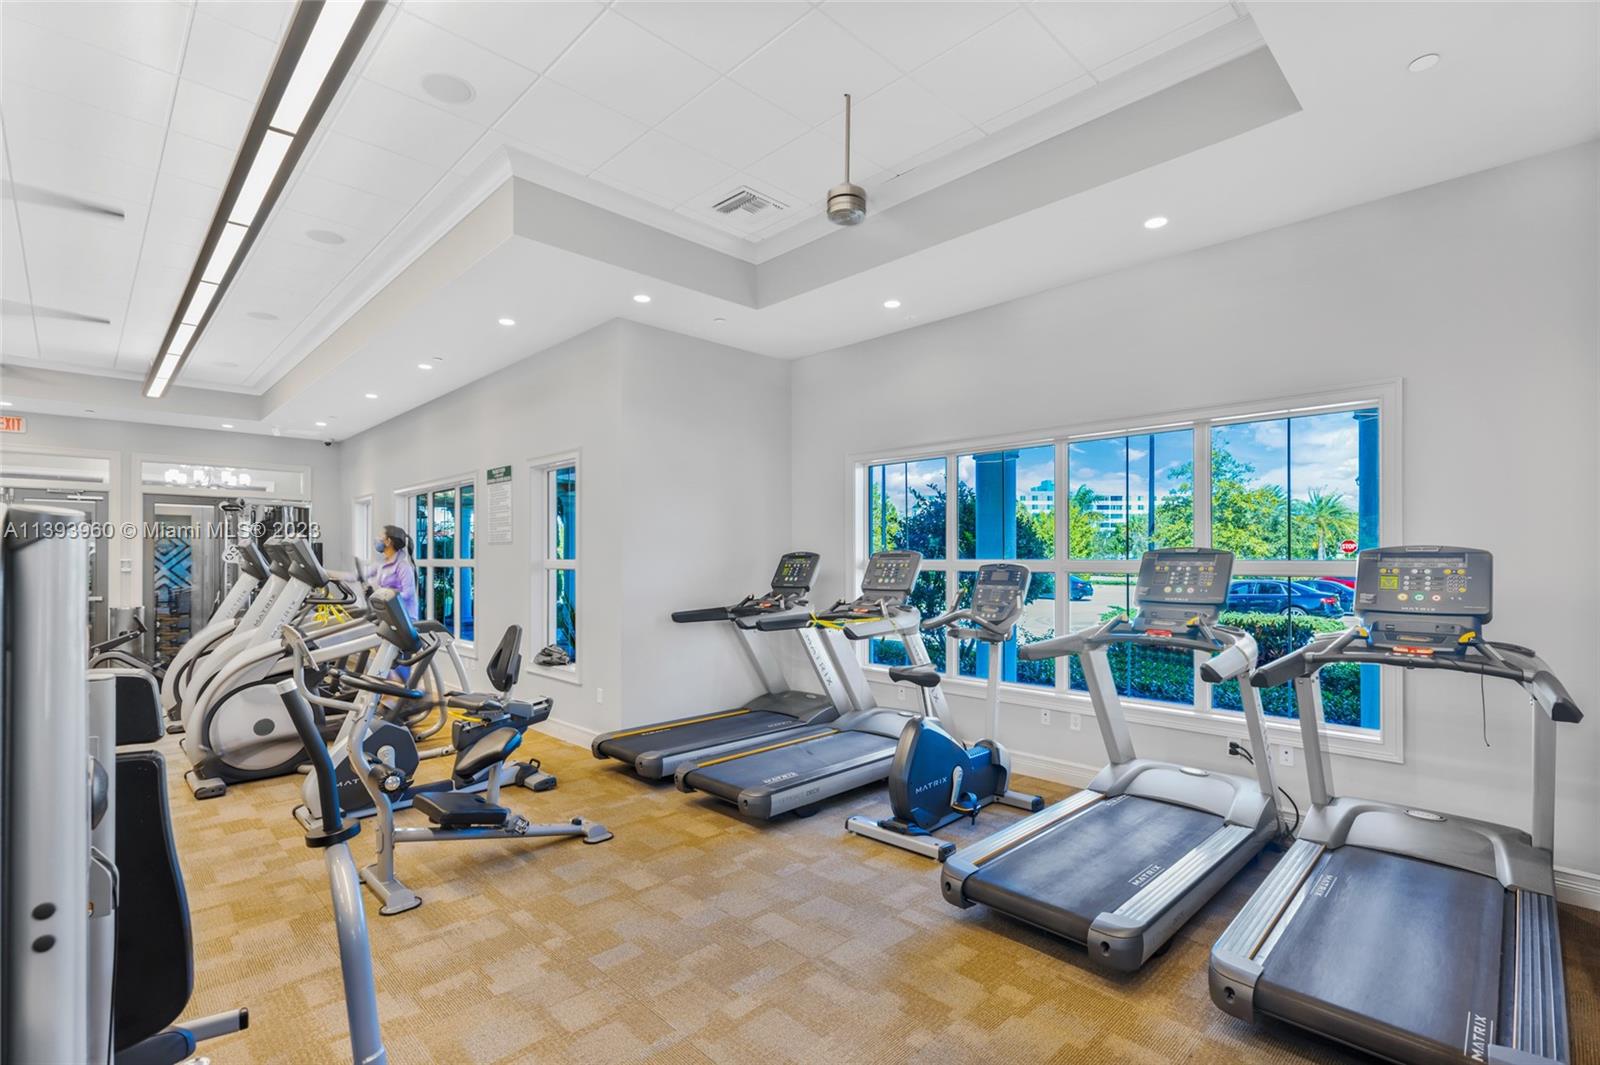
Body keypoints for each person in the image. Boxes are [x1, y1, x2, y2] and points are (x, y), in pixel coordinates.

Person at [371, 525, 419, 619]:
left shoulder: (403, 566)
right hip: (391, 614)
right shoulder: (383, 563)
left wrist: (382, 597)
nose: (377, 539)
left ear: (388, 541)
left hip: (406, 618)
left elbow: (407, 594)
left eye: (381, 536)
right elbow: (360, 575)